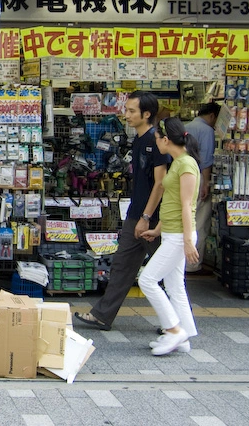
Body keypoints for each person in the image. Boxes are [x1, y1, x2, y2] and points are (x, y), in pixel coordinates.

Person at [75, 91, 170, 331]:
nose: (125, 115)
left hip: (153, 218)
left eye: (131, 111)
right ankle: (102, 315)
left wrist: (146, 218)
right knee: (121, 266)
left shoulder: (156, 140)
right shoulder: (138, 139)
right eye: (125, 109)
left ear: (146, 114)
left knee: (168, 272)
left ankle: (177, 322)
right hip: (136, 214)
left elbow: (161, 183)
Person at [138, 117, 200, 355]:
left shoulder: (186, 165)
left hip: (179, 236)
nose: (155, 145)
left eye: (156, 140)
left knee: (147, 280)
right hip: (173, 233)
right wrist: (158, 228)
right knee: (175, 286)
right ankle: (184, 336)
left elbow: (186, 205)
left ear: (166, 139)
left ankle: (173, 330)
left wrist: (186, 241)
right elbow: (173, 203)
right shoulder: (178, 162)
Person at [184, 102, 220, 273]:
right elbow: (206, 160)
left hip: (184, 179)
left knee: (185, 220)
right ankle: (192, 264)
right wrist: (206, 183)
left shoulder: (187, 126)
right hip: (197, 180)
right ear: (212, 116)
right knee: (199, 222)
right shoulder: (207, 131)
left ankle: (182, 262)